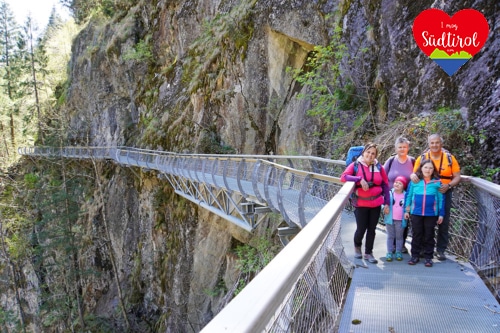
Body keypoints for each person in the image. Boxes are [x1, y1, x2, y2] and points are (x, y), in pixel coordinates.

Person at [410, 134, 461, 261]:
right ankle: (422, 249)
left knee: (443, 221)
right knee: (423, 221)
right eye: (432, 143)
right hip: (425, 193)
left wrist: (448, 185)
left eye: (437, 142)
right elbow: (414, 173)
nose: (434, 145)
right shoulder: (423, 158)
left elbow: (457, 176)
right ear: (428, 144)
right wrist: (412, 176)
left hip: (444, 191)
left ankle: (440, 250)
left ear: (441, 144)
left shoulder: (449, 158)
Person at [341, 142, 390, 264]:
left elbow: (385, 185)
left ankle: (369, 253)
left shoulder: (379, 167)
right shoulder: (356, 165)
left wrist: (387, 203)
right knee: (361, 228)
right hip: (361, 204)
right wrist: (359, 179)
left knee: (372, 229)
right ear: (363, 153)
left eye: (373, 153)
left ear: (376, 155)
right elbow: (343, 177)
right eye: (368, 152)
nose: (370, 155)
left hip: (376, 204)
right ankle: (357, 247)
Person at [405, 159, 444, 267]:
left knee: (429, 235)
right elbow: (408, 196)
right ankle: (415, 256)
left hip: (431, 214)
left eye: (430, 168)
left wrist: (441, 214)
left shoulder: (437, 182)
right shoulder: (415, 181)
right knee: (416, 234)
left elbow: (441, 199)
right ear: (421, 168)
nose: (428, 170)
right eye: (426, 167)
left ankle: (428, 257)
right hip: (416, 212)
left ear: (433, 170)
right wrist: (406, 210)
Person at [384, 136, 415, 253]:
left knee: (404, 221)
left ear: (408, 148)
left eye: (404, 147)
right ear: (396, 148)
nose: (402, 149)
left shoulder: (412, 161)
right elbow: (382, 177)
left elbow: (419, 176)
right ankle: (391, 245)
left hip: (407, 198)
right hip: (391, 197)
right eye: (400, 147)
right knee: (391, 220)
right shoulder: (391, 161)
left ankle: (400, 244)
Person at [384, 176, 408, 262]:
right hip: (390, 219)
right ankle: (389, 252)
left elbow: (408, 205)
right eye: (396, 182)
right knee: (390, 236)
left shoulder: (406, 195)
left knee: (399, 236)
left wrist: (408, 212)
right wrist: (384, 207)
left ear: (404, 186)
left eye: (400, 183)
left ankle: (398, 251)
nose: (397, 184)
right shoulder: (389, 193)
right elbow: (384, 203)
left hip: (401, 220)